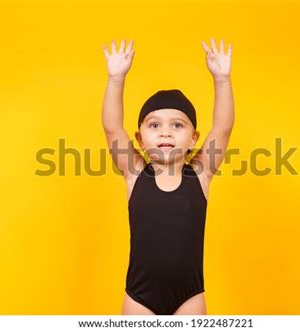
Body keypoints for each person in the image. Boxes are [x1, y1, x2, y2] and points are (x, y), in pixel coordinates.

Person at [101, 38, 234, 315]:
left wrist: (222, 80)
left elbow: (222, 127)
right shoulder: (134, 173)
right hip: (139, 297)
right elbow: (113, 128)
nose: (166, 132)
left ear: (194, 138)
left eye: (177, 125)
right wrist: (116, 79)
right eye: (154, 125)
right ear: (139, 138)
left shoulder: (200, 174)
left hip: (189, 297)